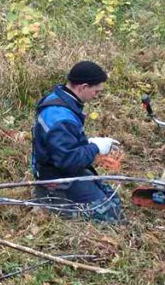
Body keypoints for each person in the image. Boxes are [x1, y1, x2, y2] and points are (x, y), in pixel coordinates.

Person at [30, 60, 123, 222]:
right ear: (83, 87)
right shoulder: (61, 117)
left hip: (56, 167)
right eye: (96, 91)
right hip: (57, 176)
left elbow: (61, 144)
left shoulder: (59, 99)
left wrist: (89, 143)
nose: (97, 96)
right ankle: (53, 201)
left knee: (110, 196)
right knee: (111, 215)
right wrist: (95, 148)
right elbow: (68, 161)